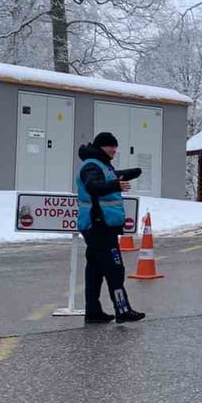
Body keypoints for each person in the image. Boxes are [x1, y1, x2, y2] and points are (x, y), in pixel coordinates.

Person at [76, 132, 145, 324]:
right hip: (99, 225)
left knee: (95, 269)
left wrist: (133, 172)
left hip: (97, 225)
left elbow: (110, 177)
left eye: (115, 147)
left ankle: (93, 312)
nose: (114, 150)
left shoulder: (100, 165)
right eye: (110, 147)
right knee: (115, 269)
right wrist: (116, 184)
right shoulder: (92, 165)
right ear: (101, 148)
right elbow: (94, 185)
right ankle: (122, 310)